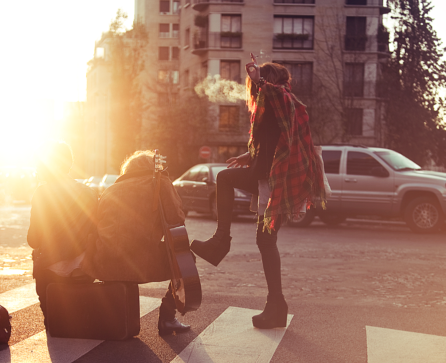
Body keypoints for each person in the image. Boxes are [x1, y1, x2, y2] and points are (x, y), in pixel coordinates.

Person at [190, 60, 327, 329]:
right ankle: (276, 305)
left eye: (254, 85)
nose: (251, 90)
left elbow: (277, 98)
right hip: (269, 176)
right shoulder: (275, 106)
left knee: (223, 178)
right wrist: (248, 155)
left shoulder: (281, 98)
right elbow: (273, 140)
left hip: (273, 179)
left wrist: (259, 79)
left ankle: (220, 242)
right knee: (265, 241)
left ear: (268, 82)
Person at [81, 150, 191, 335]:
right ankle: (167, 316)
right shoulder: (158, 182)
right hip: (138, 261)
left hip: (103, 260)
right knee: (187, 260)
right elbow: (177, 220)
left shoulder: (111, 189)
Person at [27, 142, 97, 325]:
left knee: (54, 325)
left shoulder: (42, 193)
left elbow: (33, 240)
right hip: (83, 271)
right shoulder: (89, 193)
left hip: (50, 273)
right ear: (69, 164)